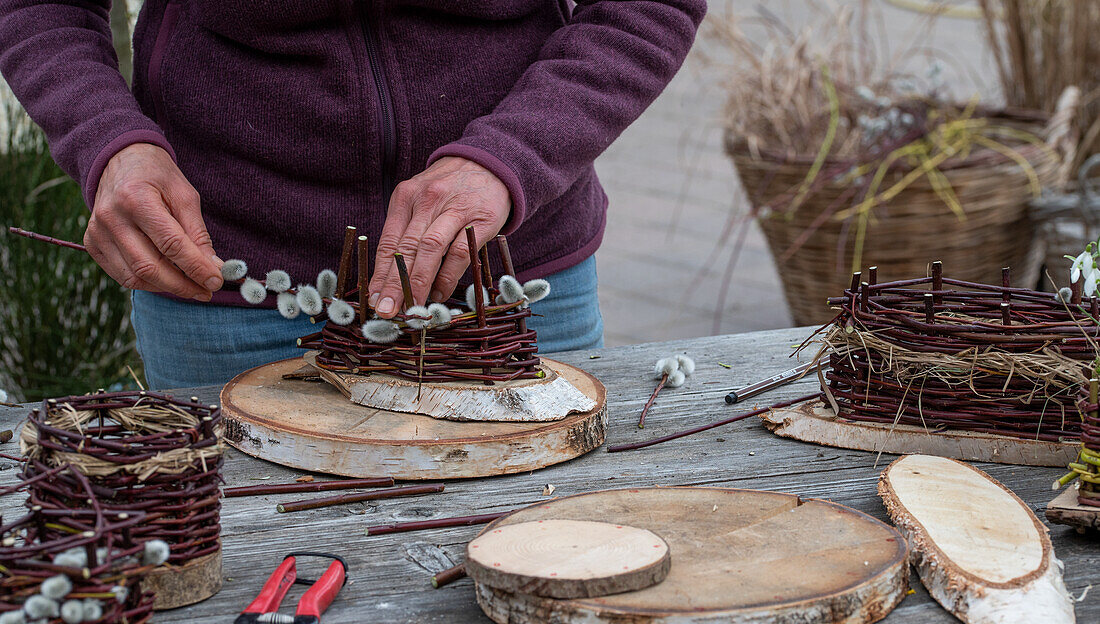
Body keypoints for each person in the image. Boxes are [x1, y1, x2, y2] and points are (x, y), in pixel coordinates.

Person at [0, 1, 706, 388]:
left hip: (507, 274)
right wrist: (107, 139)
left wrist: (513, 155)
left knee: (551, 540)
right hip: (224, 283)